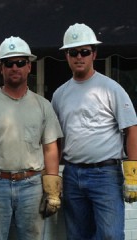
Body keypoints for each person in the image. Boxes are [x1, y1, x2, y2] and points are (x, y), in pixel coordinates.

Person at [0, 36, 63, 240]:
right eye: (9, 63)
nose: (14, 67)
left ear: (29, 67)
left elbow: (50, 149)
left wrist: (52, 191)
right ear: (1, 68)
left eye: (20, 63)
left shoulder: (43, 105)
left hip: (32, 185)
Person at [51, 23, 137, 240]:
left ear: (94, 54)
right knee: (78, 235)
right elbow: (54, 141)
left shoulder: (111, 88)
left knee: (110, 235)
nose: (79, 56)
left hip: (106, 175)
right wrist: (50, 177)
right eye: (73, 52)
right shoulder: (60, 95)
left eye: (84, 52)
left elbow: (132, 130)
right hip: (71, 174)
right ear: (66, 56)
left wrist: (133, 175)